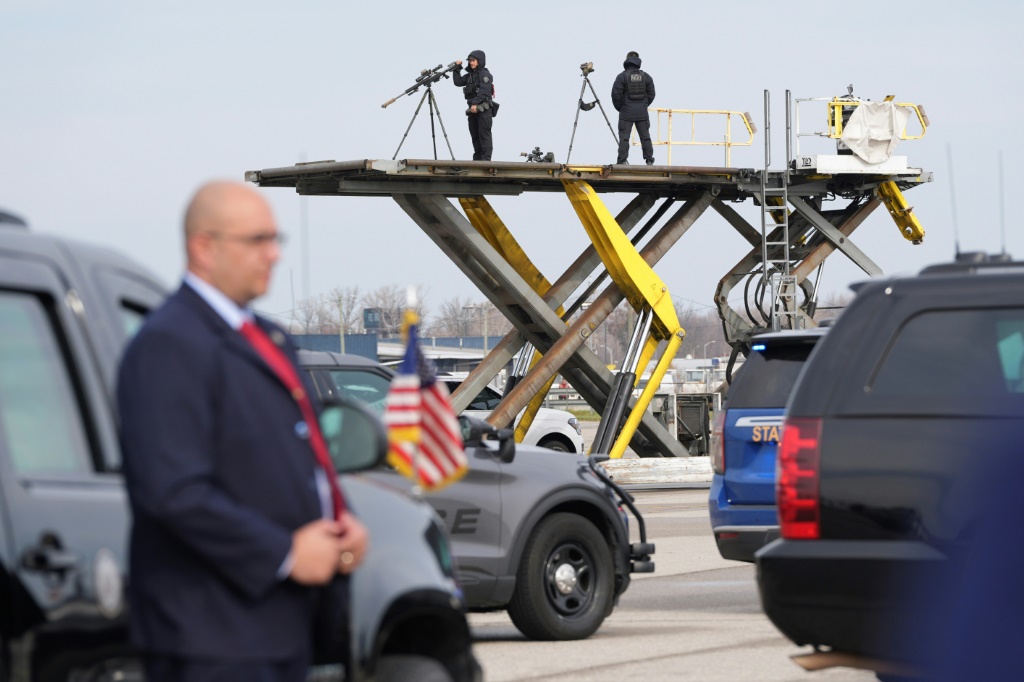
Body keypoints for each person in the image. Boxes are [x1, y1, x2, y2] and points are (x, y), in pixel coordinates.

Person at [117, 181, 369, 682]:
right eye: (257, 240)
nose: (273, 254)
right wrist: (285, 554)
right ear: (204, 248)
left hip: (280, 626)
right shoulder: (169, 343)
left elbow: (303, 455)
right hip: (211, 636)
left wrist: (344, 519)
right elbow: (173, 491)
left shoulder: (270, 338)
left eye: (275, 239)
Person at [611, 51, 656, 165]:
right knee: (645, 137)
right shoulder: (646, 77)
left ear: (626, 61)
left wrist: (621, 107)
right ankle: (649, 160)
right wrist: (643, 104)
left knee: (624, 138)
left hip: (626, 112)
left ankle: (622, 161)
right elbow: (651, 94)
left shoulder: (622, 76)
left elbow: (615, 95)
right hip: (642, 113)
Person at [453, 50, 494, 161]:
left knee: (484, 134)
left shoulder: (485, 75)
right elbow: (458, 82)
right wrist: (456, 69)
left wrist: (475, 103)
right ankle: (477, 160)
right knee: (475, 135)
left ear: (479, 60)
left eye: (473, 60)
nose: (471, 63)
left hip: (483, 109)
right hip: (473, 110)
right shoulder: (470, 75)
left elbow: (484, 91)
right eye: (470, 60)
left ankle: (486, 160)